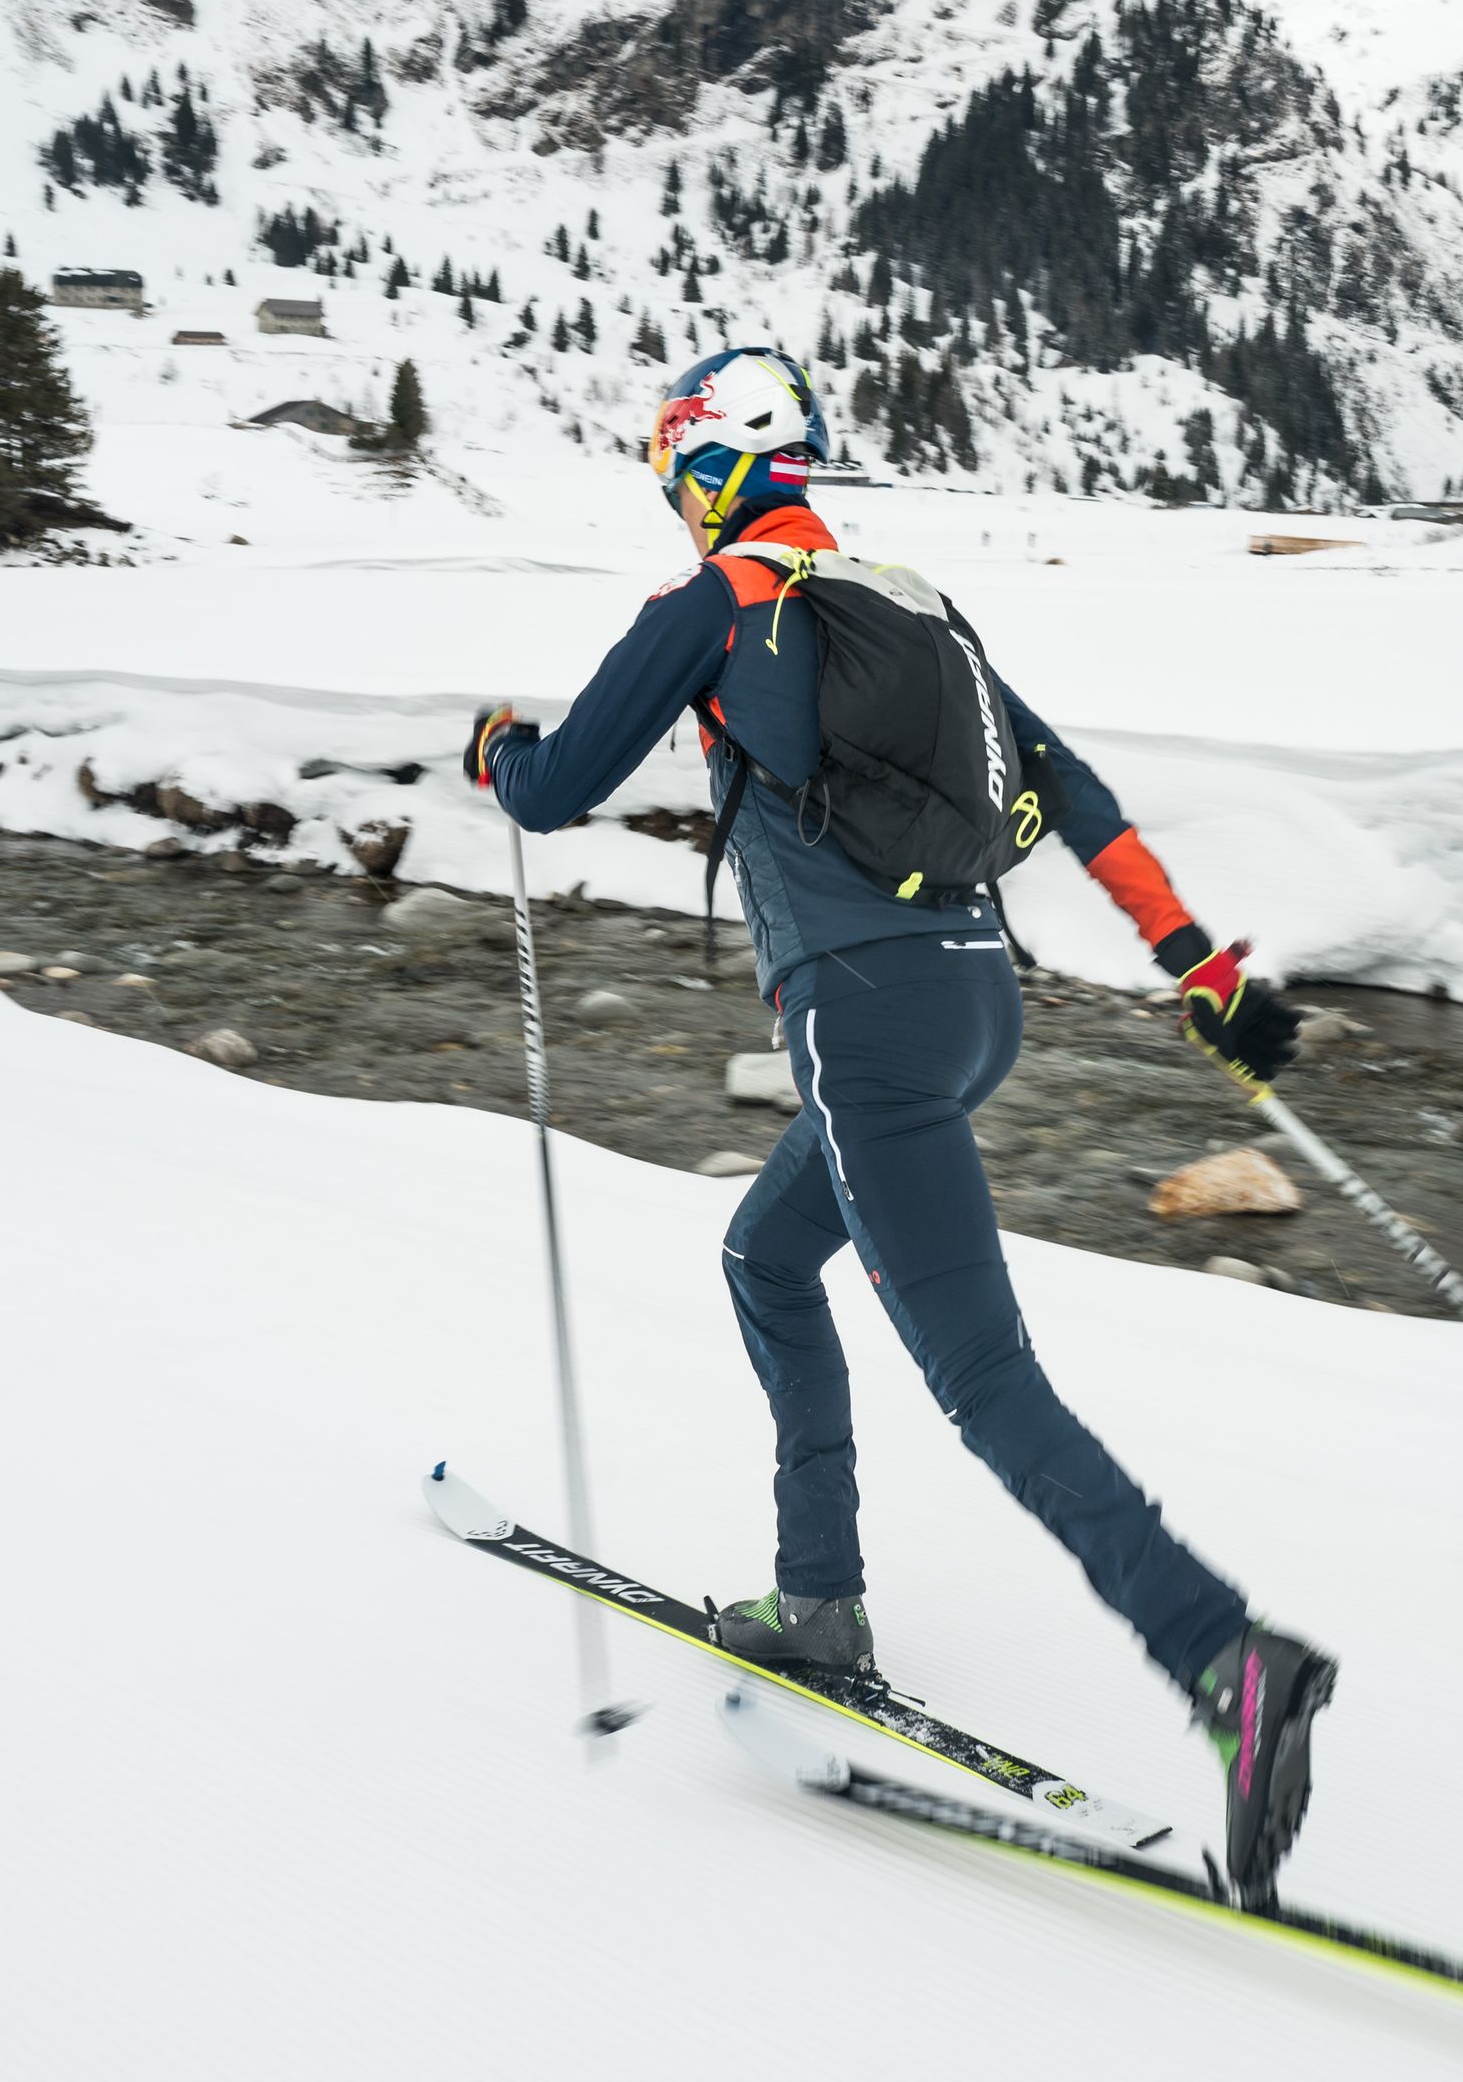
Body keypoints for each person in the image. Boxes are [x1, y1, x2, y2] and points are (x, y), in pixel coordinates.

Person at [460, 347, 1336, 1899]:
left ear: (712, 467)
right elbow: (1071, 795)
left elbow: (554, 791)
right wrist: (1195, 965)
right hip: (974, 1001)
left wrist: (497, 753)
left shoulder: (716, 606)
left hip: (863, 1024)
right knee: (767, 1257)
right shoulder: (912, 600)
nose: (673, 498)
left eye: (675, 468)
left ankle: (1222, 1655)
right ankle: (823, 1605)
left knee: (983, 1377)